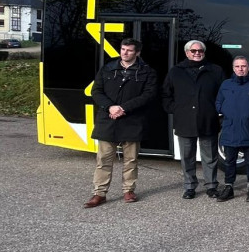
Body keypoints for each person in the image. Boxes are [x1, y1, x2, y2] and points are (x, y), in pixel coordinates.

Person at [84, 38, 157, 208]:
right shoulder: (108, 68)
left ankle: (128, 190)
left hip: (132, 120)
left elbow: (149, 95)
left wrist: (123, 108)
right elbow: (96, 91)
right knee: (103, 160)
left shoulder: (147, 72)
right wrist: (110, 107)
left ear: (137, 52)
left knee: (130, 160)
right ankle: (99, 193)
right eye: (123, 49)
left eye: (129, 50)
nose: (125, 52)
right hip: (107, 120)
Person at [162, 40, 225, 200]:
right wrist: (175, 109)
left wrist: (218, 111)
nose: (197, 53)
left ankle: (211, 186)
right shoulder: (176, 71)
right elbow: (166, 94)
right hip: (184, 121)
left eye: (200, 51)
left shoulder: (215, 70)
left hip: (208, 120)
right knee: (187, 157)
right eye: (193, 50)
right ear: (187, 53)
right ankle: (190, 186)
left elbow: (223, 94)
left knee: (210, 157)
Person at [215, 56, 249, 202]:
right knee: (229, 161)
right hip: (230, 128)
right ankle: (229, 187)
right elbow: (218, 102)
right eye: (237, 66)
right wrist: (225, 110)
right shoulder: (226, 84)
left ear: (248, 67)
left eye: (243, 66)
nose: (240, 69)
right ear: (233, 68)